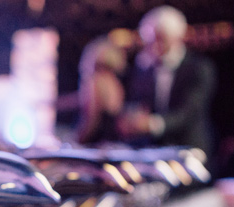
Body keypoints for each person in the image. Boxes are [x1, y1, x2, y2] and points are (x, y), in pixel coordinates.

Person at [120, 5, 216, 153]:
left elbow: (189, 112)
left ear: (177, 37)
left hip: (190, 149)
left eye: (161, 39)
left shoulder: (199, 68)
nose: (155, 46)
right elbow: (138, 102)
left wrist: (153, 124)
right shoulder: (143, 69)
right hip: (154, 150)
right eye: (151, 41)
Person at [76, 36, 127, 144]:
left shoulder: (94, 82)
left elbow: (91, 121)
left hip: (95, 147)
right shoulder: (116, 84)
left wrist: (76, 142)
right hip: (113, 145)